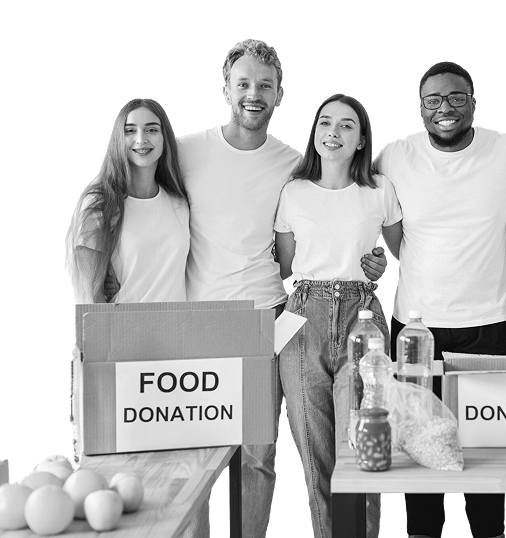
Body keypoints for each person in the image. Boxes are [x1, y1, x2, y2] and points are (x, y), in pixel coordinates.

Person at [177, 40, 387, 538]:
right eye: (244, 83)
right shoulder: (186, 150)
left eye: (265, 86)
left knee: (261, 455)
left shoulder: (293, 165)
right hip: (199, 317)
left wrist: (373, 262)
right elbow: (130, 182)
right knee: (198, 454)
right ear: (226, 87)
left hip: (272, 317)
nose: (254, 94)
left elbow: (312, 242)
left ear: (280, 95)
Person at [374, 60, 506, 538]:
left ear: (473, 102)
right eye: (433, 100)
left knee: (483, 446)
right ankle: (423, 532)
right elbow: (367, 207)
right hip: (414, 325)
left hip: (487, 322)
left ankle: (489, 532)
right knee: (419, 440)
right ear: (420, 108)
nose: (444, 109)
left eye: (455, 98)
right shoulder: (395, 156)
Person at [274, 93, 403, 538]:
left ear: (362, 139)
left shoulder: (380, 191)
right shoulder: (292, 192)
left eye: (347, 125)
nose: (334, 132)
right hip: (302, 317)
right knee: (314, 452)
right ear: (314, 134)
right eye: (326, 123)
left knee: (361, 445)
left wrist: (383, 265)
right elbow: (287, 268)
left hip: (361, 317)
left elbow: (400, 252)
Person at [65, 97, 189, 461]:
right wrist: (101, 370)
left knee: (174, 474)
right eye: (130, 130)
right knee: (116, 473)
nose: (141, 139)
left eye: (152, 129)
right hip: (120, 355)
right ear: (118, 140)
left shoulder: (178, 202)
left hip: (174, 360)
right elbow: (87, 302)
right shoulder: (99, 202)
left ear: (165, 138)